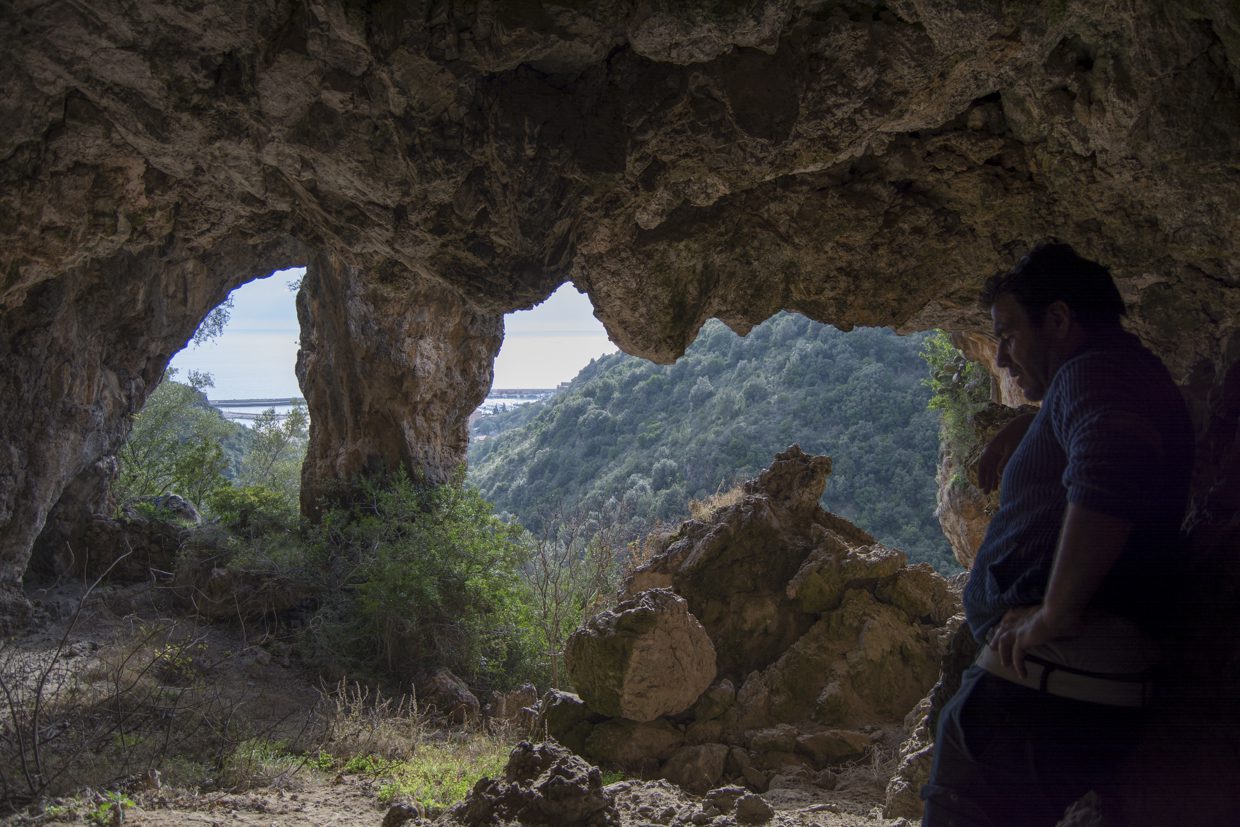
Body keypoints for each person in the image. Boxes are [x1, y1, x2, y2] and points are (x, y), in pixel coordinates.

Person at [921, 243, 1195, 826]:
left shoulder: (1092, 374)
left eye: (1009, 334)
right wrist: (1033, 422)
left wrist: (1053, 615)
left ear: (1060, 320)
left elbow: (1112, 466)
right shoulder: (1116, 372)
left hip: (1043, 689)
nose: (999, 357)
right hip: (1075, 687)